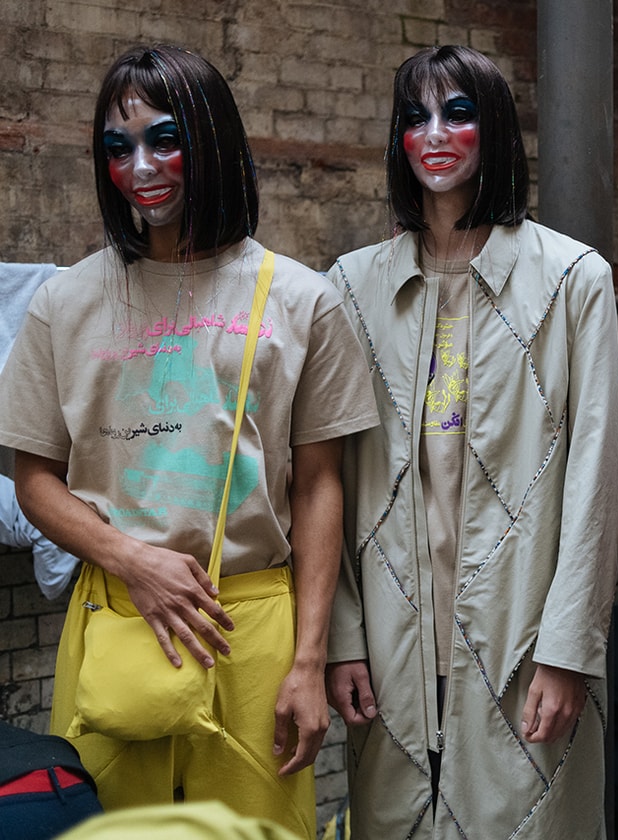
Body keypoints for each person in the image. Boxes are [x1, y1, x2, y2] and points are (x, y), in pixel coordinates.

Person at [0, 45, 378, 839]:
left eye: (163, 138)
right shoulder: (63, 302)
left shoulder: (302, 300)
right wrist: (128, 558)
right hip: (115, 623)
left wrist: (310, 660)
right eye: (117, 146)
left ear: (210, 139)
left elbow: (318, 487)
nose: (140, 166)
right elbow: (33, 478)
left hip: (253, 629)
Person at [325, 45, 618, 839]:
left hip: (525, 638)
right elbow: (325, 479)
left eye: (457, 112)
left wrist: (567, 651)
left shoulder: (573, 280)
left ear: (493, 129)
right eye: (414, 116)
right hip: (392, 645)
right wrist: (340, 636)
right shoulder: (348, 288)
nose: (434, 133)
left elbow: (595, 479)